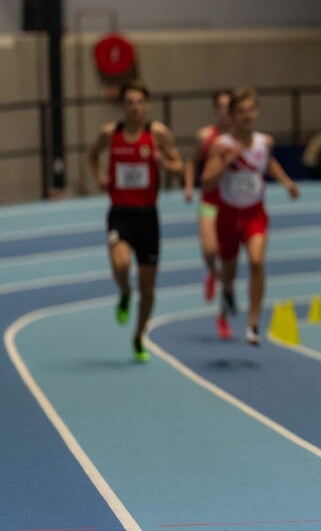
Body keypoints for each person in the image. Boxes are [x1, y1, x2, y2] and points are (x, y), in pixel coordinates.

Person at [87, 81, 184, 362]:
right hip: (120, 212)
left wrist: (162, 161)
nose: (134, 107)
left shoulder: (158, 134)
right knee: (121, 263)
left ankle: (139, 336)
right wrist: (99, 175)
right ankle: (124, 291)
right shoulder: (111, 133)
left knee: (149, 288)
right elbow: (92, 154)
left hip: (148, 216)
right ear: (123, 106)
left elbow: (179, 166)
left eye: (139, 102)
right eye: (129, 102)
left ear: (147, 105)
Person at [201, 87, 300, 345]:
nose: (247, 116)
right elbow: (207, 183)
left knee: (257, 261)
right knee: (229, 271)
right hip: (228, 215)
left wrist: (287, 183)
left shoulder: (263, 142)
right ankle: (228, 291)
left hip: (255, 213)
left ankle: (253, 324)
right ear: (232, 115)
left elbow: (268, 163)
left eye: (251, 111)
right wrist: (227, 161)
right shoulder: (221, 146)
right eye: (241, 112)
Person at [183, 89, 232, 304]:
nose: (225, 112)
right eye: (220, 107)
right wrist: (188, 186)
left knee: (229, 257)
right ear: (215, 110)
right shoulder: (205, 137)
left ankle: (225, 302)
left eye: (228, 108)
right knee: (210, 249)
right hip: (210, 201)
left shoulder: (241, 139)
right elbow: (191, 162)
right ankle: (212, 272)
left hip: (233, 203)